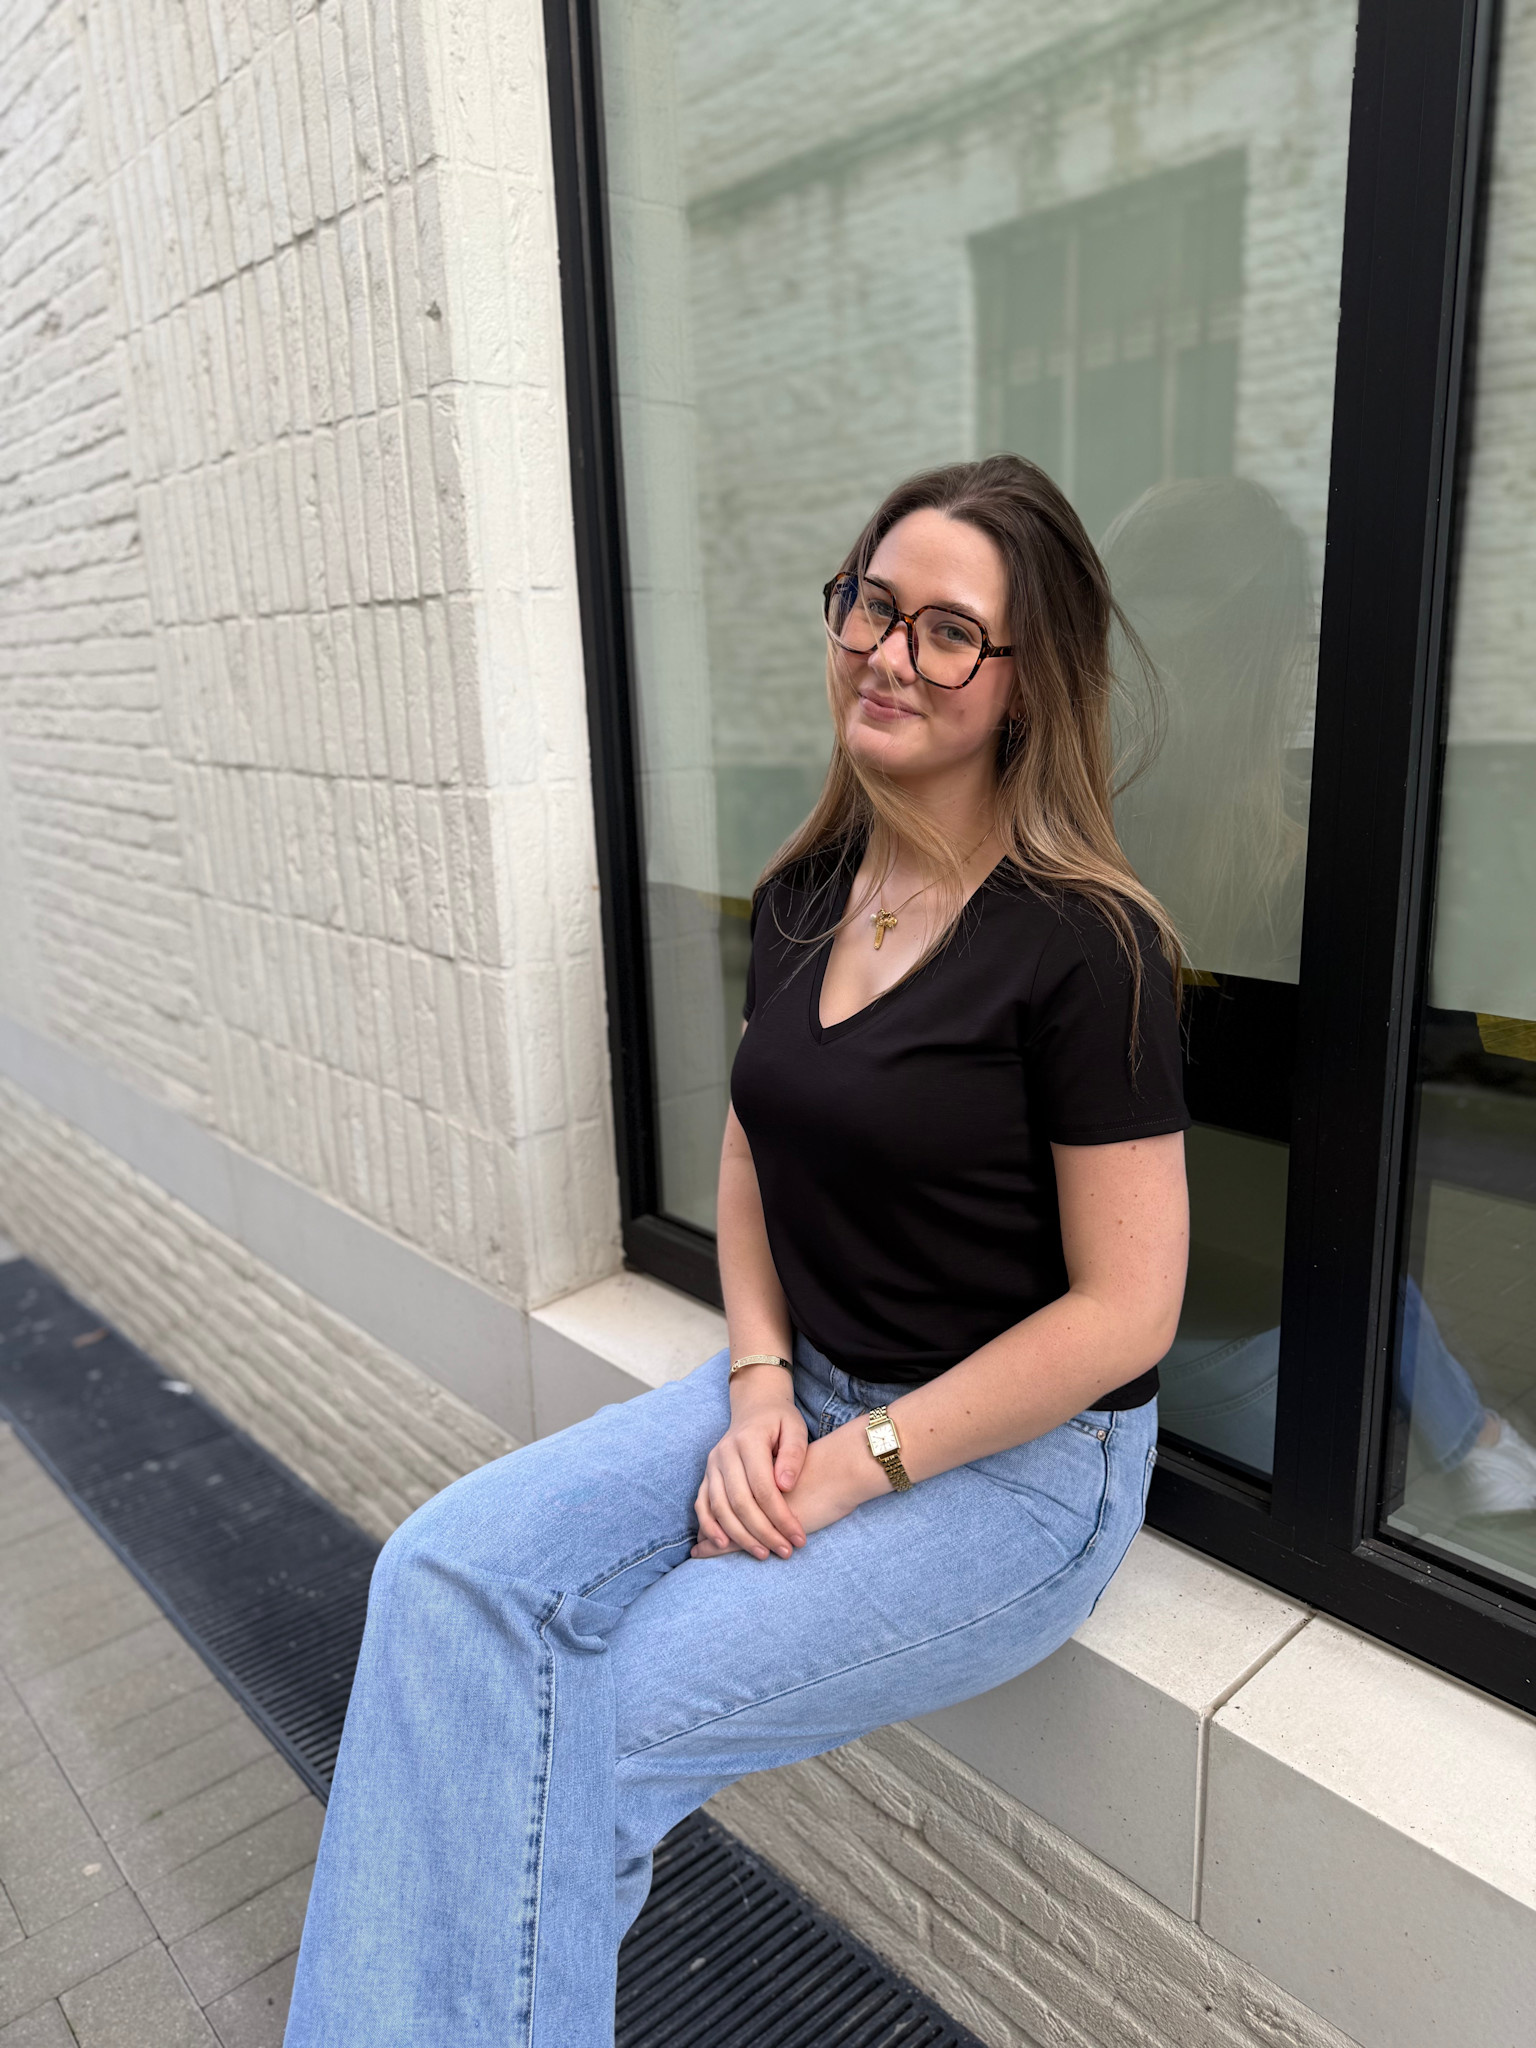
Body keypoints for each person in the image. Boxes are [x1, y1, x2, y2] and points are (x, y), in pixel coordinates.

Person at [282, 455, 1191, 2047]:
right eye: (870, 606)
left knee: (570, 1739)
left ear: (1027, 680)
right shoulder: (807, 891)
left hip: (1019, 1474)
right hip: (798, 1384)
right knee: (439, 1577)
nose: (890, 654)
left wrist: (850, 1467)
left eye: (948, 632)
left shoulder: (1085, 946)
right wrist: (763, 1385)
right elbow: (751, 1151)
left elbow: (1127, 1314)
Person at [1103, 477, 1536, 1512]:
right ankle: (1474, 1438)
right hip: (1209, 1347)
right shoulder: (1309, 879)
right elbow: (1347, 1169)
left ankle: (1474, 1435)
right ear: (1279, 662)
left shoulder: (1043, 851)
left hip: (1082, 1316)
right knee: (1364, 1245)